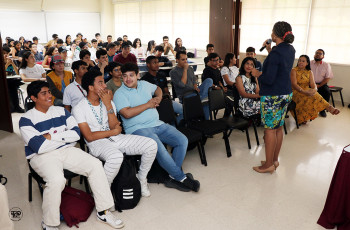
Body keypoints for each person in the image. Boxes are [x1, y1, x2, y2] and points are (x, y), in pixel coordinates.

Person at [19, 81, 125, 230]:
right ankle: (49, 223)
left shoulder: (62, 111)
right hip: (41, 156)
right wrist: (62, 136)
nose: (50, 95)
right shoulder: (26, 119)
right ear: (33, 98)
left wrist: (50, 136)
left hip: (67, 151)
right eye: (44, 93)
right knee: (56, 180)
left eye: (49, 92)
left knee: (95, 165)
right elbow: (38, 146)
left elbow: (75, 134)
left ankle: (104, 211)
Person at [114, 63, 200, 192]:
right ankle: (181, 178)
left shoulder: (144, 84)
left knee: (182, 140)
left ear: (138, 75)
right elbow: (126, 113)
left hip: (157, 123)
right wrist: (148, 105)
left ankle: (171, 176)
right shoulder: (119, 94)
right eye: (125, 76)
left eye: (131, 75)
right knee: (158, 146)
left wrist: (159, 98)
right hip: (137, 129)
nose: (128, 79)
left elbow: (158, 89)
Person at [72, 70, 157, 195]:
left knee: (151, 145)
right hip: (97, 143)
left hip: (115, 138)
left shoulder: (108, 102)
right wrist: (113, 132)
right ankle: (104, 193)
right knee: (116, 157)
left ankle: (141, 178)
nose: (105, 85)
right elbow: (89, 136)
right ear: (90, 87)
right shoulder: (79, 108)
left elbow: (114, 126)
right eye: (100, 83)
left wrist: (108, 106)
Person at [251, 21, 295, 174]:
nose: (271, 33)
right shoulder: (289, 49)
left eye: (272, 31)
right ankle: (274, 160)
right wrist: (270, 50)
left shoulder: (277, 52)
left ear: (275, 34)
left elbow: (268, 79)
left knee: (270, 129)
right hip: (285, 93)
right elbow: (279, 66)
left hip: (273, 96)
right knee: (278, 127)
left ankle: (268, 164)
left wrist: (257, 75)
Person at [291, 55, 339, 125]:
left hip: (306, 89)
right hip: (296, 91)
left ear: (307, 63)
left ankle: (329, 107)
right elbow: (294, 84)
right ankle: (302, 117)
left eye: (303, 61)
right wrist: (304, 91)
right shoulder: (294, 70)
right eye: (299, 60)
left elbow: (313, 84)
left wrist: (314, 90)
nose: (300, 62)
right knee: (306, 97)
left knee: (315, 95)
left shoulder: (309, 72)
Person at [170, 51, 213, 120]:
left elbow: (194, 79)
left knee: (209, 80)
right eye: (183, 59)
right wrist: (185, 70)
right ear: (177, 60)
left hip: (194, 92)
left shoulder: (190, 69)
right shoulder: (173, 72)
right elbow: (182, 85)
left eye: (186, 59)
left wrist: (195, 86)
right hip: (185, 95)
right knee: (206, 103)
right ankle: (201, 100)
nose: (185, 61)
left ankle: (200, 99)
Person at [141, 56, 183, 124]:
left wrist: (168, 99)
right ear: (148, 65)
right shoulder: (144, 80)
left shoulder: (162, 75)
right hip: (155, 105)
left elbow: (166, 91)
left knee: (185, 110)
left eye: (157, 62)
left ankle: (175, 123)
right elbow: (146, 97)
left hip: (166, 100)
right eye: (154, 63)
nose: (157, 64)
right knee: (166, 117)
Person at [310, 49, 334, 117]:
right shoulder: (309, 63)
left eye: (320, 54)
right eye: (316, 53)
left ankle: (322, 110)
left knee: (327, 92)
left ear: (323, 56)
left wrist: (319, 85)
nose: (318, 54)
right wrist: (313, 85)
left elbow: (328, 77)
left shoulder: (326, 65)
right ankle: (309, 108)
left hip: (322, 84)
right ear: (314, 55)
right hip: (310, 83)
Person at [4, 46, 24, 113]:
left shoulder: (12, 60)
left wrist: (12, 63)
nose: (6, 55)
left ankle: (16, 106)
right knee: (11, 86)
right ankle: (13, 107)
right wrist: (7, 64)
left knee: (13, 85)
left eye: (7, 53)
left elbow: (18, 72)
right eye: (4, 53)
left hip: (12, 80)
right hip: (5, 81)